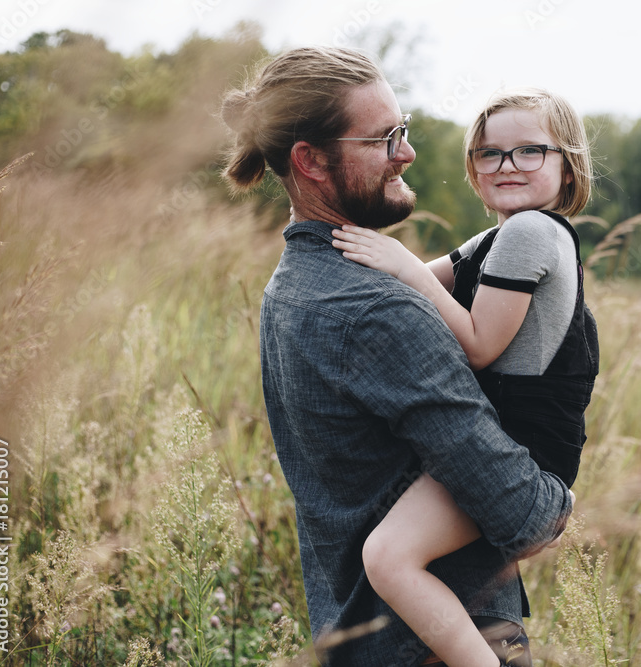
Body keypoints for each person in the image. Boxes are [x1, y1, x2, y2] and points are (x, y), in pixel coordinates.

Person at [220, 48, 573, 666]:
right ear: (310, 160)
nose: (406, 153)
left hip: (354, 633)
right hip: (433, 646)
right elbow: (523, 515)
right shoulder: (380, 310)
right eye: (385, 138)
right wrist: (556, 500)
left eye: (402, 130)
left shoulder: (293, 283)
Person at [330, 88, 599, 667]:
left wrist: (399, 260)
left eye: (529, 151)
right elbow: (409, 288)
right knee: (394, 554)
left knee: (389, 557)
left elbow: (477, 344)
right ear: (473, 169)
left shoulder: (532, 232)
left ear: (567, 163)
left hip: (521, 459)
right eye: (488, 153)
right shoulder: (500, 238)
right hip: (502, 444)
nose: (506, 166)